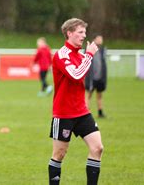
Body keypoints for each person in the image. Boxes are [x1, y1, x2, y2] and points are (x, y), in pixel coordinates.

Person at [48, 18, 103, 185]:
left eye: (84, 32)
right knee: (59, 154)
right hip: (64, 113)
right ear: (69, 33)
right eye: (80, 32)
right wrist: (90, 55)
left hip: (82, 112)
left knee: (97, 148)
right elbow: (76, 75)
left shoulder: (80, 55)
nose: (84, 36)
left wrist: (86, 56)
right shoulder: (61, 55)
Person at [85, 35, 107, 118]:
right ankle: (86, 113)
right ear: (94, 39)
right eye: (99, 38)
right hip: (91, 78)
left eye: (101, 38)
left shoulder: (102, 50)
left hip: (100, 78)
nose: (100, 40)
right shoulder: (89, 49)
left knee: (99, 95)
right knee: (88, 95)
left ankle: (100, 112)